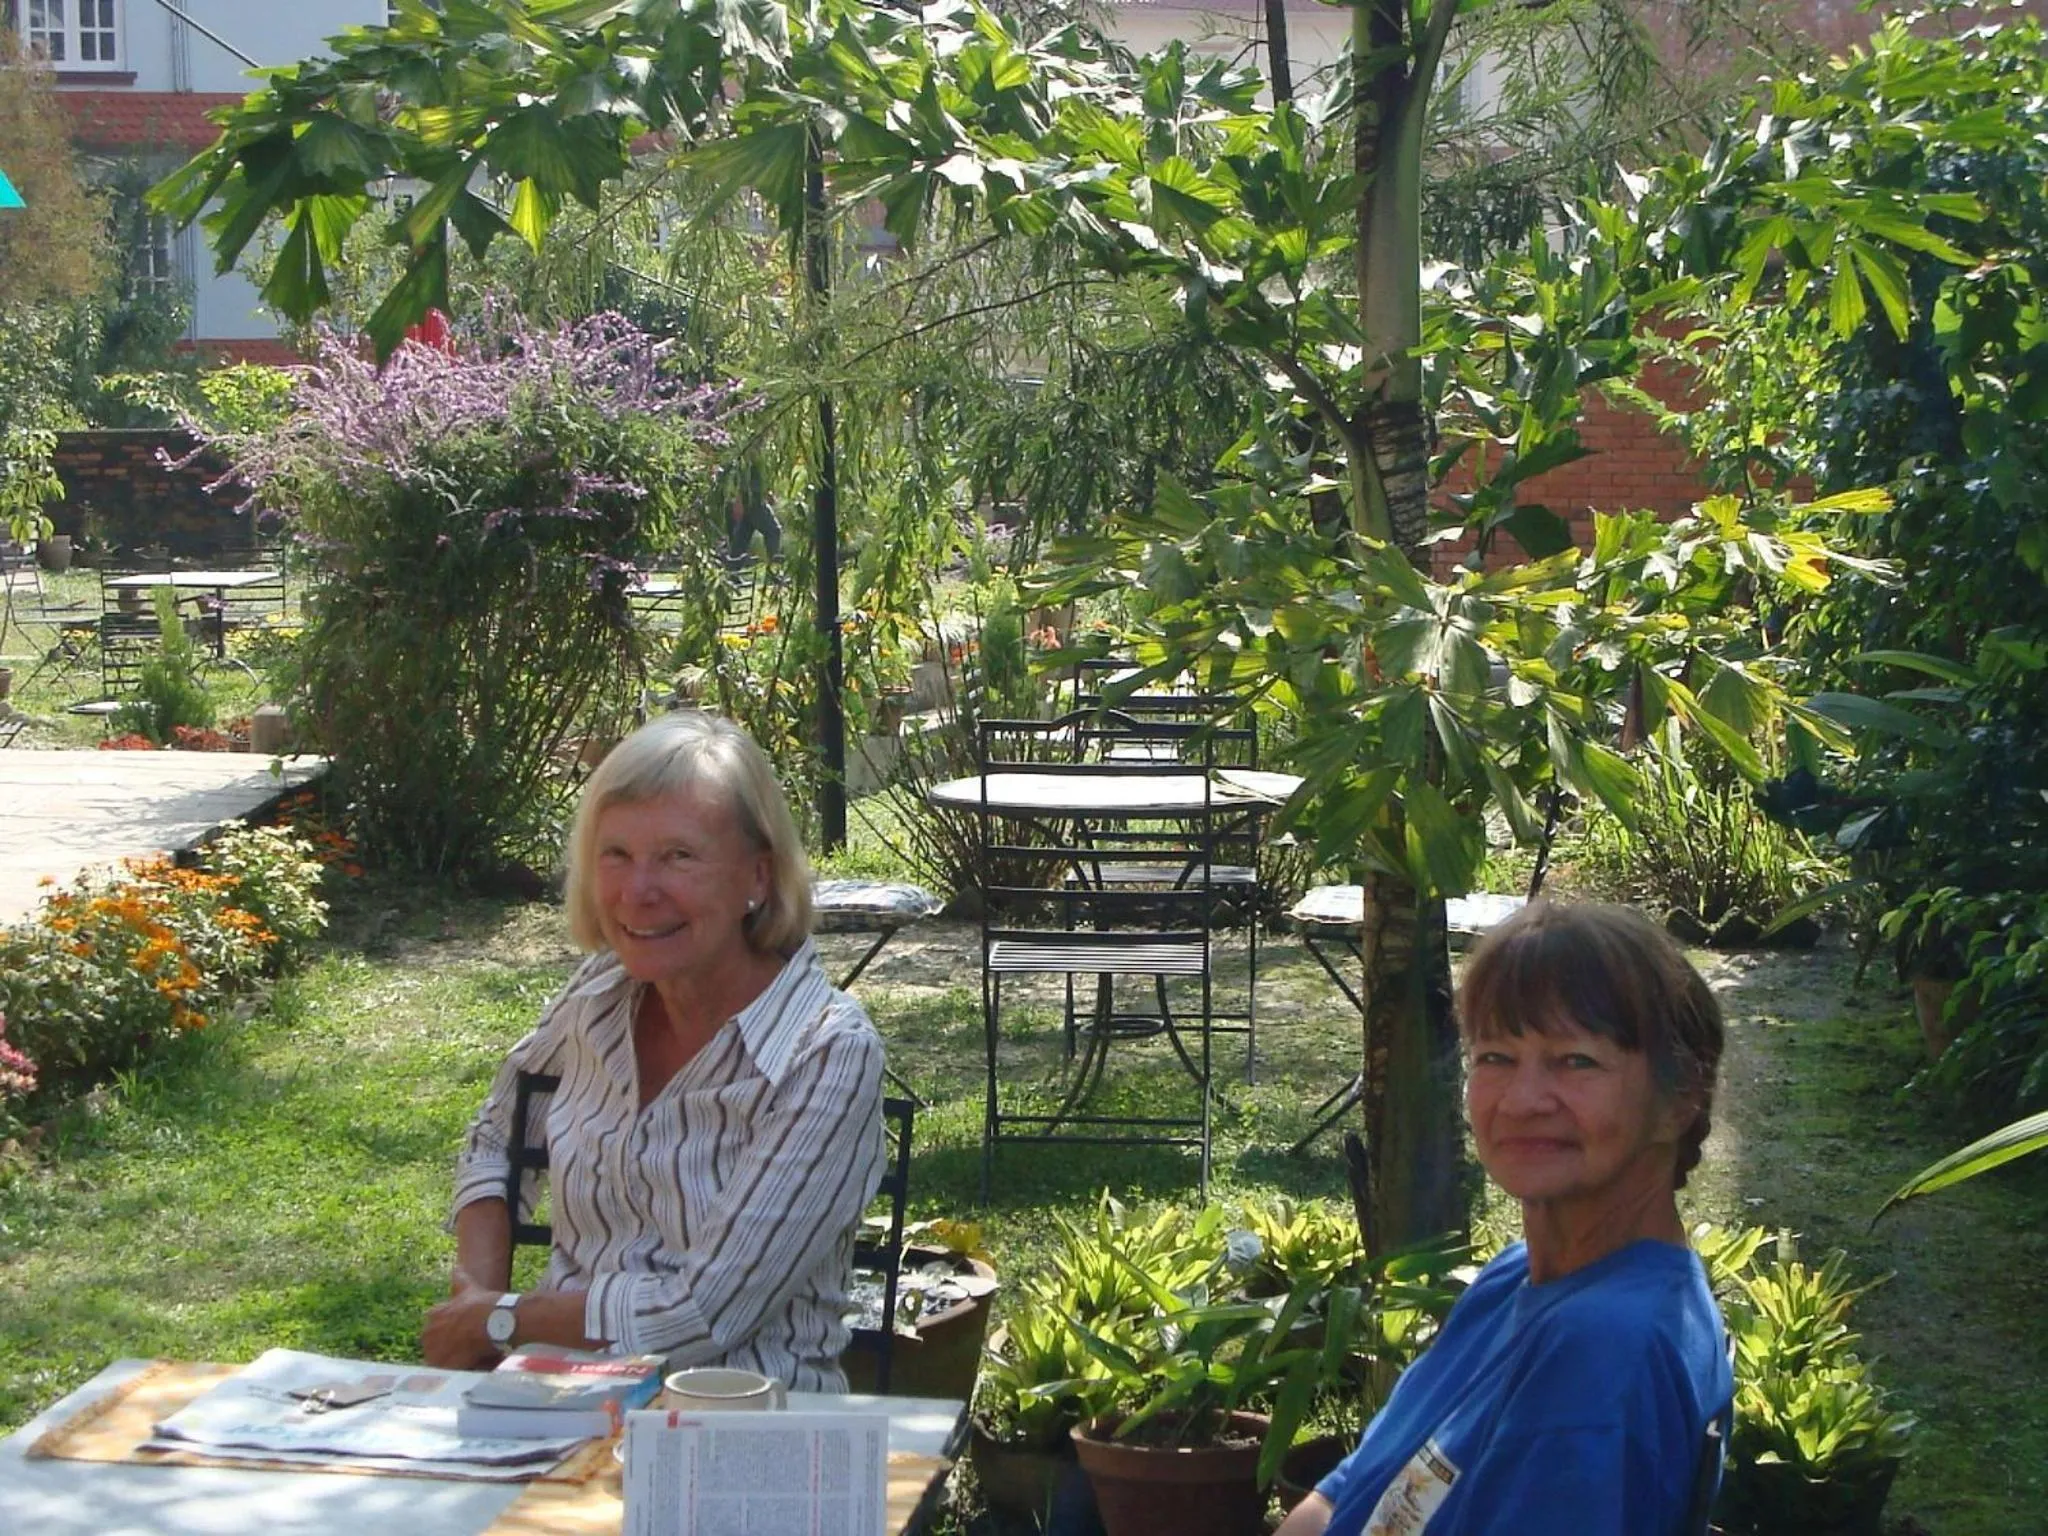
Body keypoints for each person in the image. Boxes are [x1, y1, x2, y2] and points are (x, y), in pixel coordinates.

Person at [422, 711, 885, 1390]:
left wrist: (500, 1320)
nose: (638, 893)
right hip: (559, 1408)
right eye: (616, 854)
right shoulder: (598, 995)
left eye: (677, 857)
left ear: (758, 877)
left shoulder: (825, 1052)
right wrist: (478, 1294)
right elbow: (496, 1137)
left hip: (741, 1424)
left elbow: (700, 1315)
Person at [1281, 901, 1733, 1536]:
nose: (1522, 1102)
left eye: (1575, 1061)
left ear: (1679, 1099)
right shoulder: (1516, 1278)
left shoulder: (1603, 1349)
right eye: (1495, 1057)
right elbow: (1349, 1494)